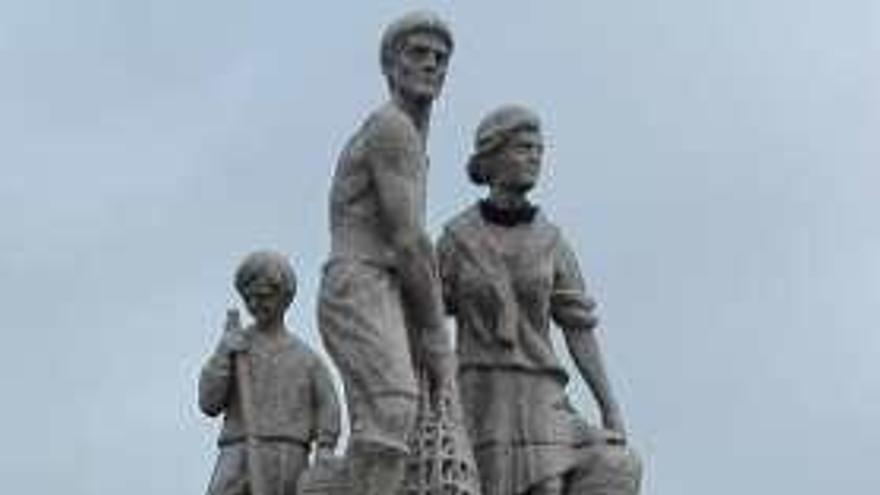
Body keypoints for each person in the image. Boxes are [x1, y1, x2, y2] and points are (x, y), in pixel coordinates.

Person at [438, 105, 641, 495]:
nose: (534, 158)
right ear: (493, 158)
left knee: (616, 464)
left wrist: (608, 405)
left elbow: (578, 327)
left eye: (539, 150)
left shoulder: (551, 241)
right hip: (483, 390)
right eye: (524, 148)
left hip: (543, 391)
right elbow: (424, 316)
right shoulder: (457, 240)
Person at [316, 11, 456, 495]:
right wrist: (436, 333)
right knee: (393, 408)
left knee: (393, 423)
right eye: (418, 53)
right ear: (391, 66)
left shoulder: (412, 137)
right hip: (362, 282)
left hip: (385, 286)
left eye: (440, 58)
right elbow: (409, 240)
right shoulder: (391, 129)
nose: (431, 65)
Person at [200, 251, 341, 495]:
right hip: (239, 452)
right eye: (249, 298)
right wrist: (223, 355)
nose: (255, 304)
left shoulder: (306, 360)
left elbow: (328, 406)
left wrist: (325, 449)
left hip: (288, 457)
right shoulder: (236, 348)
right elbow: (208, 402)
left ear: (284, 296)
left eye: (263, 296)